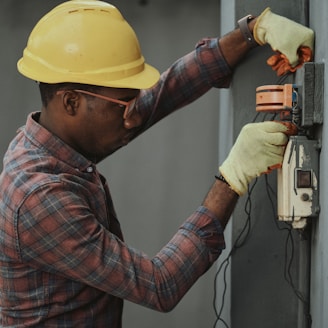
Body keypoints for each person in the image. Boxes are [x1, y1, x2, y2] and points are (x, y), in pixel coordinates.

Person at [0, 1, 314, 326]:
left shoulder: (53, 142)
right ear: (71, 102)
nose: (133, 115)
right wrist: (233, 176)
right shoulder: (39, 197)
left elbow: (163, 94)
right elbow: (159, 285)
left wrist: (252, 32)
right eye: (124, 103)